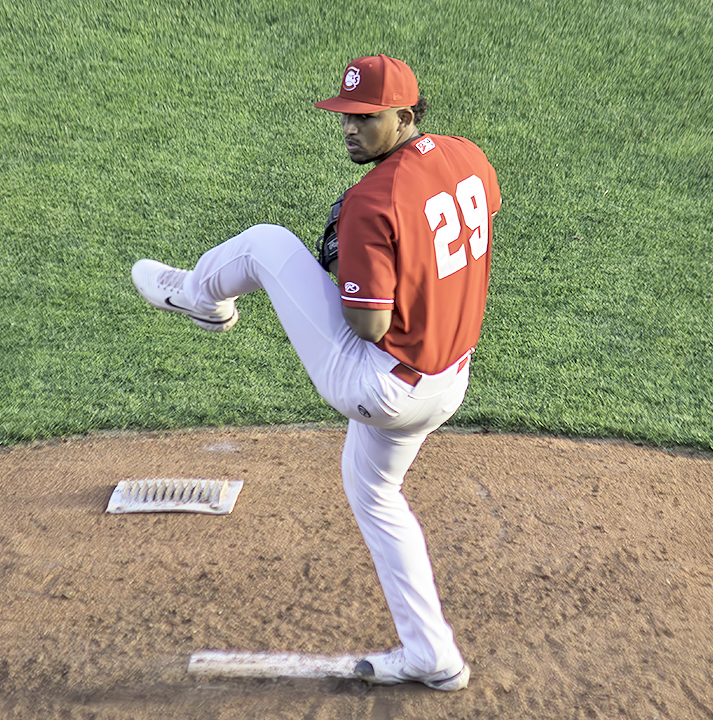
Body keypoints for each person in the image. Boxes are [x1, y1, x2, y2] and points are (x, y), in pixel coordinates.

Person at [131, 54, 501, 691]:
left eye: (365, 117)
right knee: (374, 493)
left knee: (268, 245)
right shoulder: (469, 158)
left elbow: (369, 328)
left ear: (405, 116)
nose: (350, 128)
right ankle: (431, 655)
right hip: (448, 381)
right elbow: (473, 224)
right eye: (346, 116)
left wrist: (350, 265)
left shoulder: (372, 200)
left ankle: (200, 298)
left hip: (380, 383)